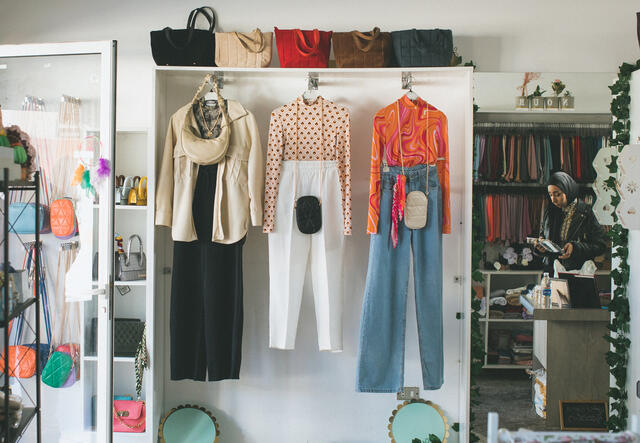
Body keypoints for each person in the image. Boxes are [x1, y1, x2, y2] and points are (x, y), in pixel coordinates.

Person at [535, 171, 607, 273]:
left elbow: (600, 246)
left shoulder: (586, 212)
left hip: (577, 273)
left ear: (568, 189)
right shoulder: (550, 212)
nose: (553, 200)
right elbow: (543, 236)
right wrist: (541, 247)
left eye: (557, 194)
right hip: (552, 271)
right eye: (550, 195)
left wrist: (576, 248)